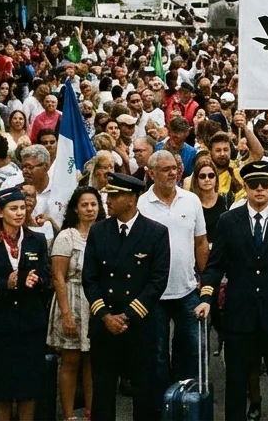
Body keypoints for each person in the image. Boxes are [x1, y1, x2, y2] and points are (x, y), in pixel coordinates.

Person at [195, 161, 268, 421]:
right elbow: (214, 266)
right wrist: (206, 298)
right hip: (239, 315)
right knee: (236, 383)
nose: (259, 189)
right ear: (244, 187)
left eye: (265, 184)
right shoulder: (228, 221)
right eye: (253, 184)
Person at [82, 172, 172, 421]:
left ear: (132, 198)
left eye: (115, 195)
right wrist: (105, 316)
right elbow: (89, 278)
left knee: (144, 392)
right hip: (105, 324)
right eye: (108, 194)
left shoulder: (155, 233)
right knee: (103, 391)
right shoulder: (99, 231)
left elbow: (157, 282)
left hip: (139, 325)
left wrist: (128, 315)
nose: (108, 200)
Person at [0, 187, 52, 421]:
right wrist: (3, 284)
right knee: (1, 388)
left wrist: (37, 280)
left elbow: (47, 277)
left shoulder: (36, 240)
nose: (19, 213)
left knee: (29, 385)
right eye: (13, 209)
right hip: (0, 325)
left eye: (22, 208)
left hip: (30, 322)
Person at [135, 150, 208, 388]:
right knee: (156, 354)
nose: (172, 173)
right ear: (151, 173)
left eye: (175, 168)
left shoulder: (192, 200)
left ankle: (185, 400)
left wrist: (204, 280)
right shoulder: (140, 204)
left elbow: (200, 242)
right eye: (165, 169)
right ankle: (160, 403)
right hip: (153, 294)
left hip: (187, 290)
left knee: (191, 349)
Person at [48, 186, 104, 421]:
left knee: (93, 360)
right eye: (85, 205)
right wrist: (66, 313)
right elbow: (58, 276)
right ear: (75, 208)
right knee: (71, 360)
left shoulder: (105, 232)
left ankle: (91, 412)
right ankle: (69, 415)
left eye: (94, 204)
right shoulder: (66, 236)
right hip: (71, 298)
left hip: (97, 302)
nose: (90, 209)